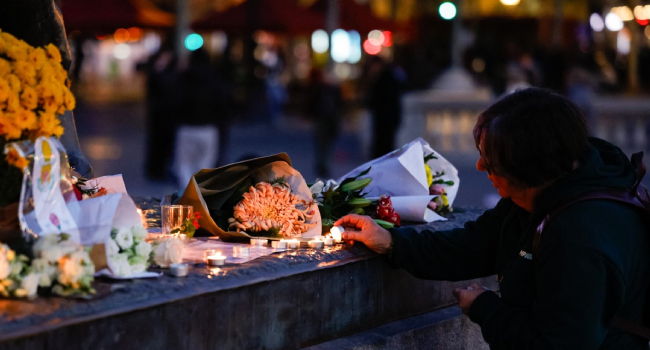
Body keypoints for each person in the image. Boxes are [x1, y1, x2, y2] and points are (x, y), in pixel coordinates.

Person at [335, 88, 650, 349]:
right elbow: (473, 244)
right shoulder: (535, 196)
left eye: (491, 161)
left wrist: (484, 307)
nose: (479, 168)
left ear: (526, 165)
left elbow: (556, 344)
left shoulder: (580, 236)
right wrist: (390, 242)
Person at [306, 68, 343, 178]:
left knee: (327, 143)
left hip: (330, 120)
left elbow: (339, 105)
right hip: (322, 119)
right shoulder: (320, 89)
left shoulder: (333, 90)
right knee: (321, 143)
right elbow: (312, 103)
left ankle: (323, 164)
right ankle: (321, 165)